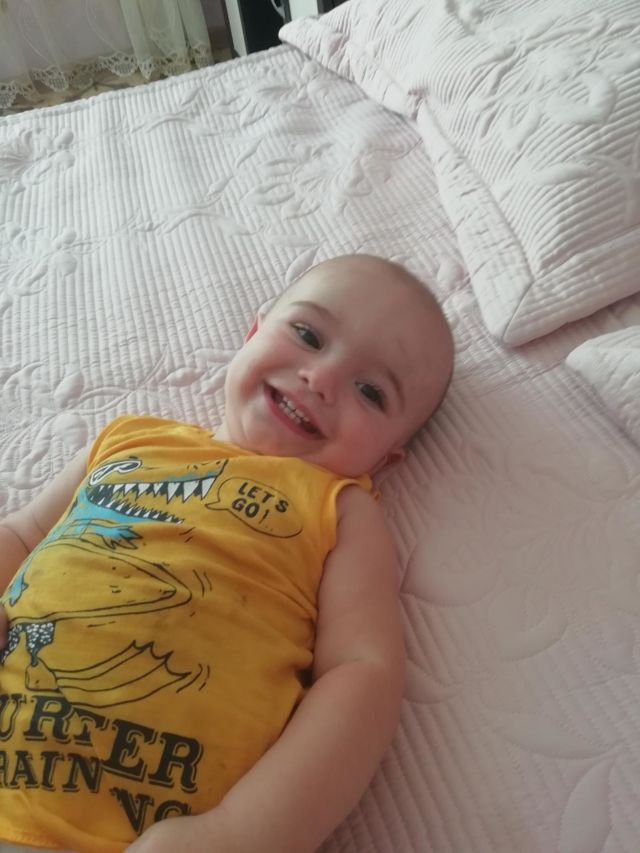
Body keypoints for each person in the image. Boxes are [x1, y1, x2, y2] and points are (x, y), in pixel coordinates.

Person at [0, 254, 454, 853]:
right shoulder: (129, 440)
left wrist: (243, 831)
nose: (321, 377)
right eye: (308, 334)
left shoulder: (341, 507)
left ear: (386, 459)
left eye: (370, 391)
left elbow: (361, 670)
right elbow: (23, 534)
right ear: (252, 333)